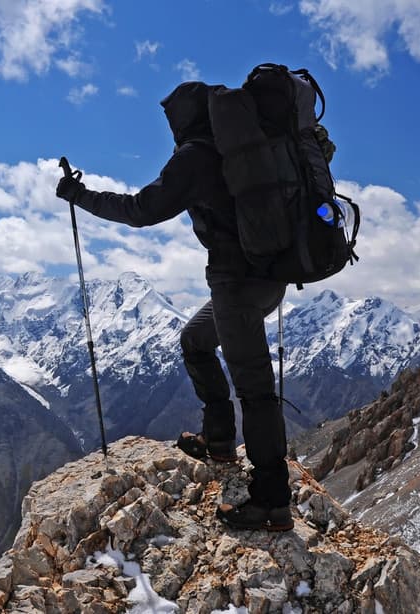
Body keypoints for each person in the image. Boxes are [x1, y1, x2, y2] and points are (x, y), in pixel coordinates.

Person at [55, 81, 292, 531]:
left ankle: (272, 501)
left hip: (236, 287)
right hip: (267, 280)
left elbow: (142, 209)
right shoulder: (248, 148)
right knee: (195, 340)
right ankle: (219, 439)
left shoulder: (197, 156)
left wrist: (80, 197)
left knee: (256, 391)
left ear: (183, 119)